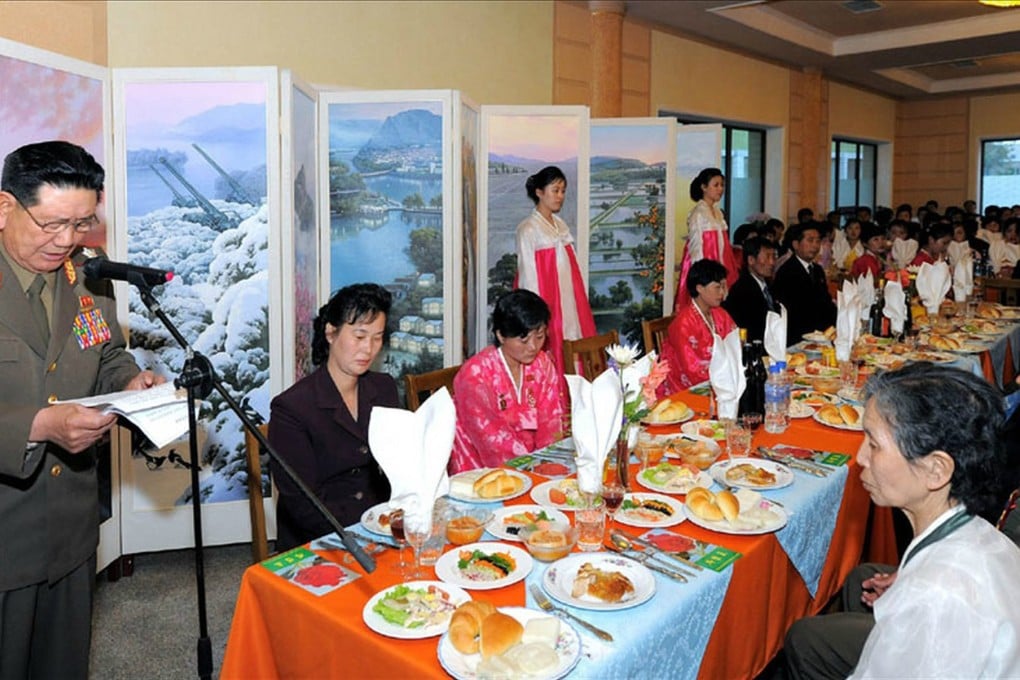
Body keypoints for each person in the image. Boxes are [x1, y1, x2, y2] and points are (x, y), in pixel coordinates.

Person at [0, 141, 163, 677]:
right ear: (5, 208)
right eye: (52, 224)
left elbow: (106, 354)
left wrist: (130, 381)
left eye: (82, 224)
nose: (67, 241)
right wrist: (38, 426)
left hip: (70, 524)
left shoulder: (88, 279)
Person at [785, 362, 1020, 679]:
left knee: (804, 636)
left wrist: (917, 589)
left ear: (936, 470)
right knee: (862, 579)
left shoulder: (935, 599)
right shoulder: (983, 536)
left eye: (874, 444)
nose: (861, 458)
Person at [268, 283, 399, 551]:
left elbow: (400, 463)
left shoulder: (383, 387)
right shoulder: (292, 408)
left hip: (380, 524)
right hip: (321, 536)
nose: (368, 349)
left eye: (377, 338)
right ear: (330, 332)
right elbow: (303, 503)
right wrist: (363, 537)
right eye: (359, 336)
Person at [450, 289, 565, 473]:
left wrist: (546, 461)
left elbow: (551, 420)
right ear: (501, 335)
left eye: (540, 337)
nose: (533, 347)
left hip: (534, 463)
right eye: (524, 340)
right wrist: (530, 467)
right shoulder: (475, 375)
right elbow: (491, 439)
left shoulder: (542, 364)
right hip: (480, 467)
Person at [515, 166, 595, 373]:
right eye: (555, 190)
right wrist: (535, 318)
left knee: (573, 342)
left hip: (569, 301)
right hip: (548, 302)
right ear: (539, 192)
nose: (560, 196)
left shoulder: (560, 226)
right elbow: (528, 277)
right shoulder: (528, 229)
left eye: (563, 191)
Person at [662, 259, 737, 392]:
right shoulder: (683, 324)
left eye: (723, 287)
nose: (722, 293)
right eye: (717, 287)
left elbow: (736, 345)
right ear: (700, 288)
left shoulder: (721, 314)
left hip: (721, 380)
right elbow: (693, 370)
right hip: (687, 389)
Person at [673, 168, 739, 313]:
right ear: (704, 187)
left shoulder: (718, 213)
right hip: (705, 270)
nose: (720, 189)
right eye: (716, 185)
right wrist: (702, 279)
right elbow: (696, 249)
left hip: (719, 268)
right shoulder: (697, 214)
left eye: (722, 185)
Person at [772, 222, 837, 341]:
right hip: (798, 336)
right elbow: (792, 310)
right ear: (796, 244)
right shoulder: (787, 271)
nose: (815, 246)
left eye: (818, 241)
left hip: (821, 334)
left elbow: (825, 302)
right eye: (810, 240)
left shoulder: (817, 270)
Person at [723, 236, 779, 343]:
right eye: (767, 257)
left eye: (774, 256)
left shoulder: (769, 285)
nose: (772, 262)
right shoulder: (741, 290)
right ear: (751, 260)